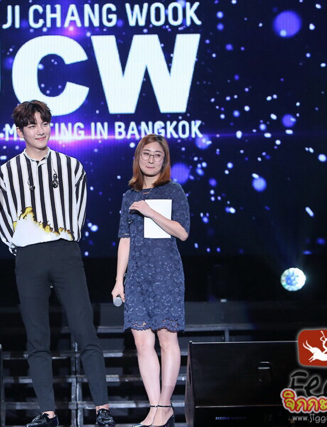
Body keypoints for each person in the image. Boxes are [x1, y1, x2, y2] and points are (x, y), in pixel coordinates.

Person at [0, 100, 116, 427]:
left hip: (65, 252)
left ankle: (102, 409)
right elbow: (4, 220)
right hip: (28, 256)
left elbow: (79, 211)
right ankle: (48, 413)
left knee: (84, 329)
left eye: (44, 123)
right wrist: (23, 247)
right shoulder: (5, 173)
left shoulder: (71, 166)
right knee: (37, 337)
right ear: (20, 131)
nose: (40, 130)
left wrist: (64, 239)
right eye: (32, 124)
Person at [111, 134, 190, 427]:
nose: (151, 159)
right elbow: (124, 238)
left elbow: (182, 232)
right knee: (142, 342)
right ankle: (155, 408)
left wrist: (150, 211)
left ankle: (165, 406)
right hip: (137, 276)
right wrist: (119, 280)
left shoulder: (173, 190)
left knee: (167, 339)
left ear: (164, 160)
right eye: (146, 154)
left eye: (157, 155)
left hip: (166, 273)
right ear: (138, 157)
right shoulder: (129, 195)